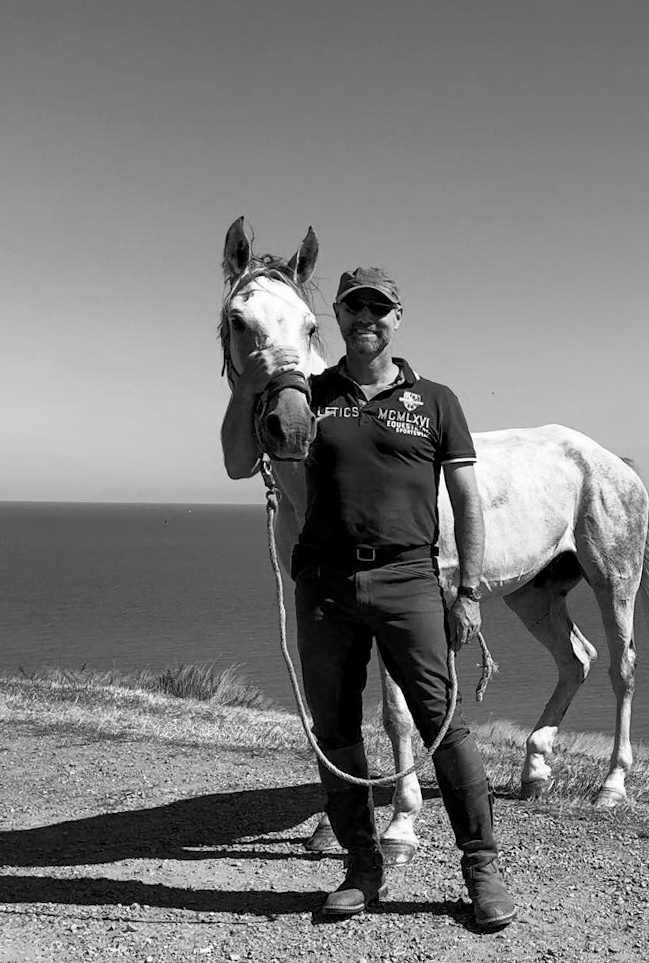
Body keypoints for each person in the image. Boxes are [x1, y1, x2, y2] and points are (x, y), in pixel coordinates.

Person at [224, 265, 516, 927]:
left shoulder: (436, 400)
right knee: (336, 728)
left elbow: (466, 500)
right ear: (339, 317)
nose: (367, 320)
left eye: (379, 310)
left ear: (396, 319)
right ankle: (362, 866)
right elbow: (241, 460)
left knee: (445, 724)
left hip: (410, 577)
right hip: (325, 583)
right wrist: (253, 382)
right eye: (355, 309)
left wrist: (468, 591)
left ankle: (481, 866)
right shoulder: (307, 391)